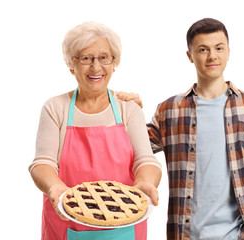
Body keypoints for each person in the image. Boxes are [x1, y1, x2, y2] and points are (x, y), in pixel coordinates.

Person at [119, 18, 244, 240]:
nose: (212, 56)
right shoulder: (170, 110)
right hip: (184, 234)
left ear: (228, 52)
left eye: (218, 48)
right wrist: (127, 112)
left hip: (239, 233)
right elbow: (131, 147)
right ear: (190, 56)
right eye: (203, 49)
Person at [29, 21, 162, 240]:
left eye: (104, 57)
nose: (96, 67)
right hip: (67, 225)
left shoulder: (127, 108)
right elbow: (42, 163)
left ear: (114, 62)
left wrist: (145, 182)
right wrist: (54, 187)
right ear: (72, 65)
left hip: (125, 227)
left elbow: (145, 160)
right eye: (86, 58)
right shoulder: (55, 108)